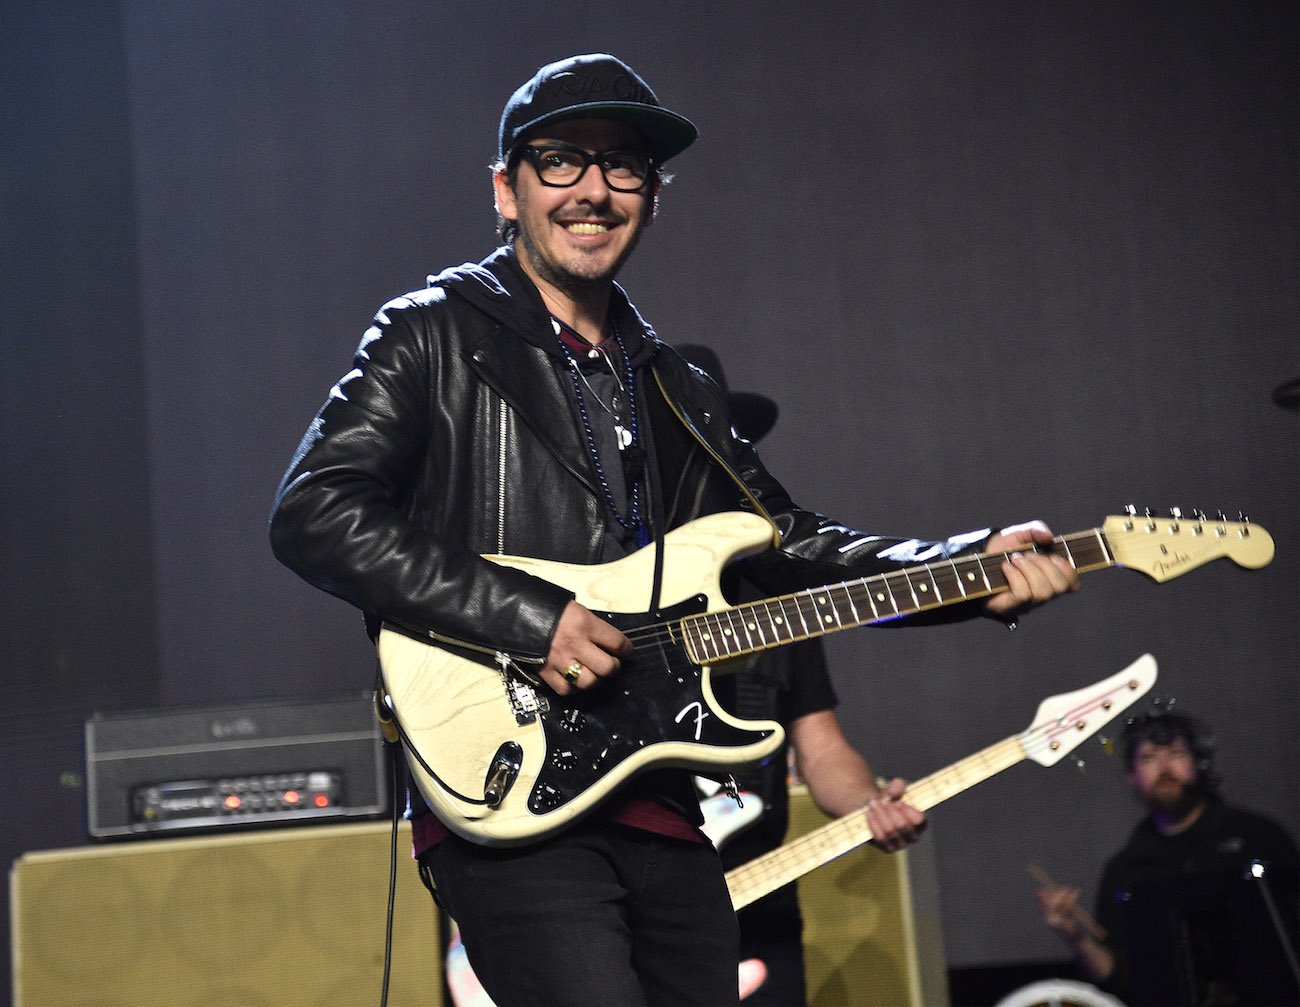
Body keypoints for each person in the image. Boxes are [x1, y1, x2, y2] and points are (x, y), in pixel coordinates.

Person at [269, 52, 1079, 1007]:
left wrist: (963, 568)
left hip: (661, 794)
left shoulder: (677, 387)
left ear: (654, 198)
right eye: (562, 160)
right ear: (506, 190)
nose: (594, 191)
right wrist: (530, 618)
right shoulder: (432, 332)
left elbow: (786, 548)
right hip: (510, 777)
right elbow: (314, 510)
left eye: (625, 167)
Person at [677, 344, 926, 1007]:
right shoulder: (618, 589)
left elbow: (821, 749)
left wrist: (870, 801)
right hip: (646, 907)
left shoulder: (780, 599)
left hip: (760, 901)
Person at [1034, 707, 1300, 1006]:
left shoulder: (1256, 836)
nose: (1164, 767)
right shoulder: (1126, 869)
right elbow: (1121, 979)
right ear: (1131, 776)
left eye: (1175, 753)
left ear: (1198, 764)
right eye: (1149, 757)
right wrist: (1076, 938)